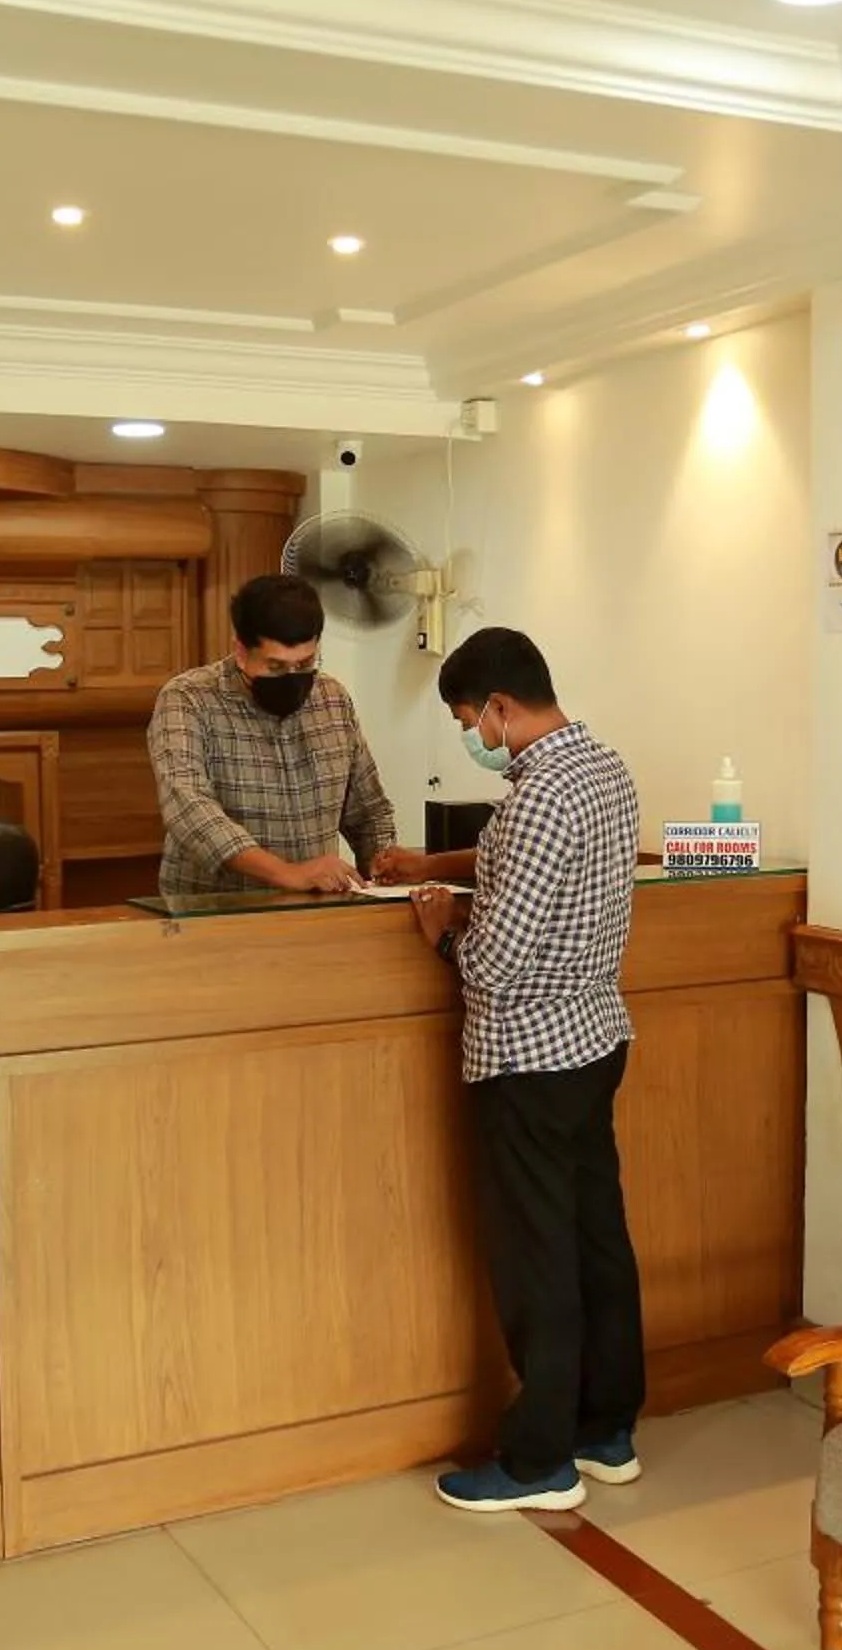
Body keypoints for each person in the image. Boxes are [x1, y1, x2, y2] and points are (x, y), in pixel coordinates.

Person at [407, 627, 645, 1512]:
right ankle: (605, 1430)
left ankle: (538, 1458)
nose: (475, 735)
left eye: (472, 719)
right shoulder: (603, 770)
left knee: (535, 1257)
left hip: (527, 1055)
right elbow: (545, 873)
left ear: (502, 708)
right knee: (595, 1242)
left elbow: (497, 961)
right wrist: (444, 866)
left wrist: (442, 933)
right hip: (592, 1038)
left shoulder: (539, 795)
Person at [148, 573, 404, 897]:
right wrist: (287, 873)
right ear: (241, 651)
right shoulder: (188, 699)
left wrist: (383, 873)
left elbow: (369, 812)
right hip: (212, 914)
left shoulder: (332, 699)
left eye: (306, 663)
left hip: (313, 913)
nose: (293, 677)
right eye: (276, 667)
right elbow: (189, 808)